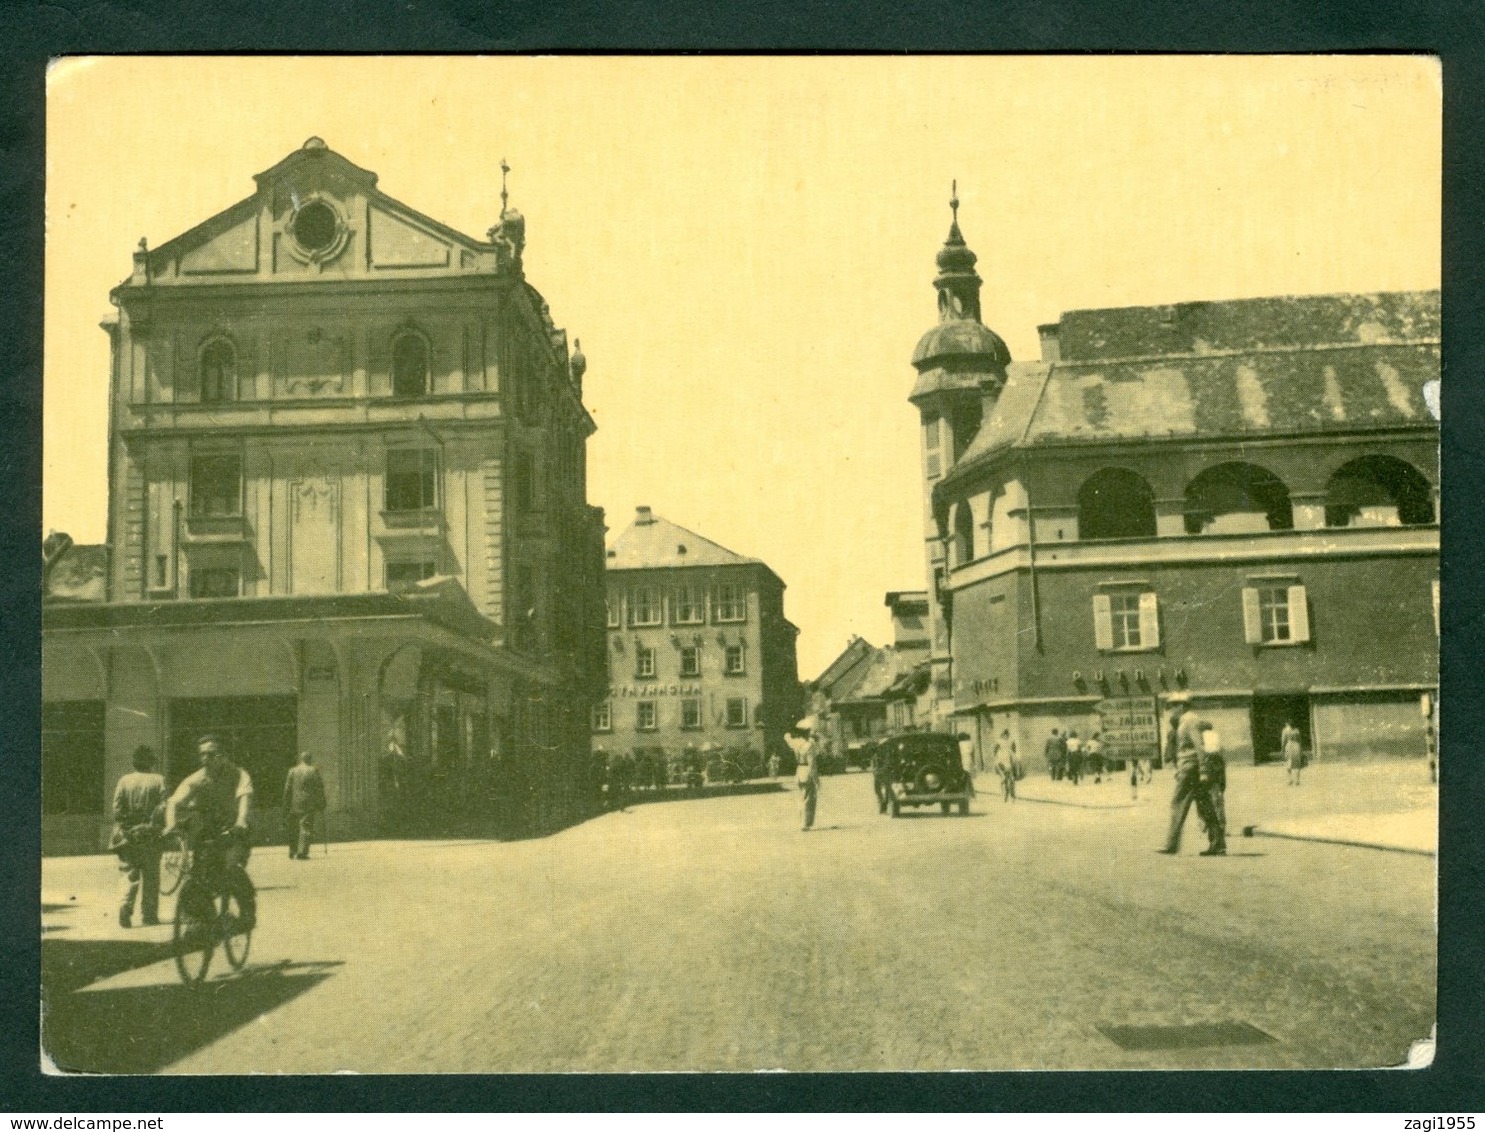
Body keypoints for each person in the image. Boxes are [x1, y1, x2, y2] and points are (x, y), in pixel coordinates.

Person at [164, 734, 256, 929]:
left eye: (211, 754)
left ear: (223, 755)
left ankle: (247, 913)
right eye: (202, 755)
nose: (206, 759)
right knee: (197, 877)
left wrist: (240, 822)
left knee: (231, 867)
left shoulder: (239, 774)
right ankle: (198, 923)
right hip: (209, 832)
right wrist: (171, 825)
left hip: (235, 831)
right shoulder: (198, 778)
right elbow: (174, 802)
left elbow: (244, 801)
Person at [1158, 696, 1226, 856]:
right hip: (1190, 767)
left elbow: (1199, 747)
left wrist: (1203, 771)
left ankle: (1171, 844)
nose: (1171, 710)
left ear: (1182, 706)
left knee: (1178, 803)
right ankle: (1218, 844)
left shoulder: (1189, 721)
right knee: (1205, 806)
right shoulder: (1185, 721)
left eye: (1173, 706)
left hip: (1191, 768)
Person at [110, 745, 166, 928]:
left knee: (129, 873)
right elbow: (162, 807)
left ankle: (125, 906)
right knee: (151, 876)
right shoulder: (159, 780)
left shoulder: (124, 780)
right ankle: (149, 915)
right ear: (151, 762)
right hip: (150, 835)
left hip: (128, 836)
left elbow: (117, 808)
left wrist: (127, 827)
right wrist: (152, 826)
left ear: (134, 762)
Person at [283, 750, 327, 860]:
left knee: (294, 827)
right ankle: (302, 852)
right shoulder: (313, 770)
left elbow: (287, 789)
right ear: (309, 759)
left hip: (294, 803)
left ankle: (292, 850)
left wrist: (286, 803)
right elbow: (319, 788)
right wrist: (322, 802)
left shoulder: (292, 771)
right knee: (306, 826)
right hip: (308, 803)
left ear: (301, 759)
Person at [1199, 722, 1228, 847]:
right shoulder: (1218, 748)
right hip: (1217, 782)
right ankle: (1219, 841)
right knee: (1218, 807)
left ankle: (1215, 842)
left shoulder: (1203, 745)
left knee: (1209, 809)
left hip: (1209, 781)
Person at [790, 724, 821, 831]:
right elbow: (812, 764)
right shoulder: (809, 746)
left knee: (801, 798)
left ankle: (801, 822)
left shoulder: (797, 745)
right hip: (807, 771)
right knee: (808, 798)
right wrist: (816, 779)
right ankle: (805, 823)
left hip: (799, 771)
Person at [993, 729, 1019, 802]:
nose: (1006, 736)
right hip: (1004, 759)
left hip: (1006, 758)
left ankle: (1009, 794)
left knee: (1009, 777)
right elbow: (1014, 749)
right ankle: (1007, 793)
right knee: (1007, 776)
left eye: (1007, 735)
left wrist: (996, 755)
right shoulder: (1002, 741)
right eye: (1005, 735)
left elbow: (995, 750)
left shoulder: (1006, 741)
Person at [1282, 721, 1303, 786]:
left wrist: (1283, 749)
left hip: (1289, 746)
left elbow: (1283, 741)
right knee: (1297, 764)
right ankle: (1297, 780)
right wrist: (1301, 748)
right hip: (1297, 746)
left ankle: (1290, 779)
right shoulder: (1297, 730)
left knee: (1288, 762)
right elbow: (1300, 739)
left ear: (1286, 723)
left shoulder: (1285, 730)